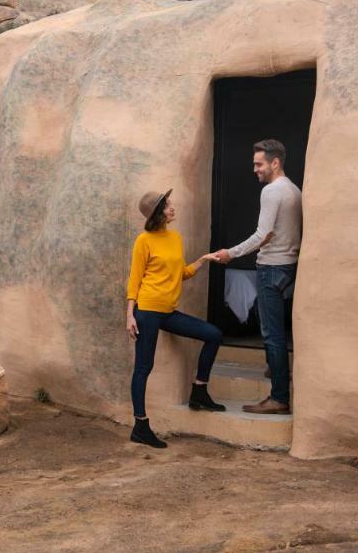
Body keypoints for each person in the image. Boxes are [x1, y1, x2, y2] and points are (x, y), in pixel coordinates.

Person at [125, 189, 225, 448]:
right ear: (158, 213)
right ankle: (140, 425)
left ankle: (199, 391)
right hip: (146, 311)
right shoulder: (144, 241)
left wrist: (204, 259)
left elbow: (180, 273)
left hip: (167, 311)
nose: (172, 207)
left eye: (170, 204)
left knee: (213, 334)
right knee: (144, 368)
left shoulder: (175, 238)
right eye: (167, 205)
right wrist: (130, 316)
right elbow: (135, 279)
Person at [213, 139, 302, 415]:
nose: (255, 169)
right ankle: (275, 369)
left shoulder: (272, 192)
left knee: (272, 335)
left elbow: (262, 235)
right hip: (288, 266)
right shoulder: (294, 189)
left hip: (271, 267)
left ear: (275, 163)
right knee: (274, 330)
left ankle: (278, 397)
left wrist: (231, 253)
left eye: (259, 163)